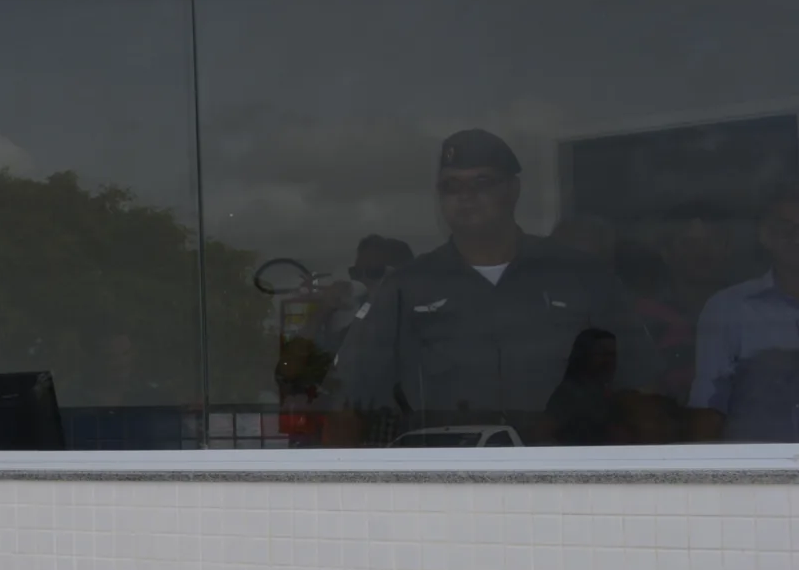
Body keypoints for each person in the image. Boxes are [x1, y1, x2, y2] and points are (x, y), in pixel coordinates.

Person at [329, 130, 652, 445]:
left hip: (566, 478)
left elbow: (641, 391)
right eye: (451, 187)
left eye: (482, 183)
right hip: (444, 481)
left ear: (513, 189)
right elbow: (351, 401)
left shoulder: (580, 275)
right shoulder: (406, 287)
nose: (465, 197)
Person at [691, 185, 799, 440]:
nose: (797, 238)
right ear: (765, 235)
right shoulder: (728, 307)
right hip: (752, 470)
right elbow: (707, 408)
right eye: (785, 228)